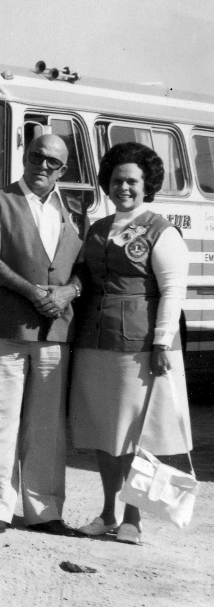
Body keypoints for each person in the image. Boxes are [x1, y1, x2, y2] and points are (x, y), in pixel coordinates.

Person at [70, 142, 191, 545]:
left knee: (135, 436)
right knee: (106, 431)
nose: (124, 187)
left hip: (138, 345)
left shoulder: (162, 229)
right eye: (118, 180)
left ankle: (133, 519)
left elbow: (172, 291)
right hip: (95, 340)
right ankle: (108, 512)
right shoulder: (100, 228)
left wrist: (160, 344)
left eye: (133, 181)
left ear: (147, 185)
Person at [0, 134, 86, 537]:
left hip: (56, 331)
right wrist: (32, 292)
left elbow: (85, 264)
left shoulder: (73, 208)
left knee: (47, 424)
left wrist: (70, 290)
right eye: (36, 157)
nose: (43, 166)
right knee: (1, 419)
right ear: (23, 156)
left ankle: (44, 510)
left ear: (63, 170)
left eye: (53, 162)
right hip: (7, 328)